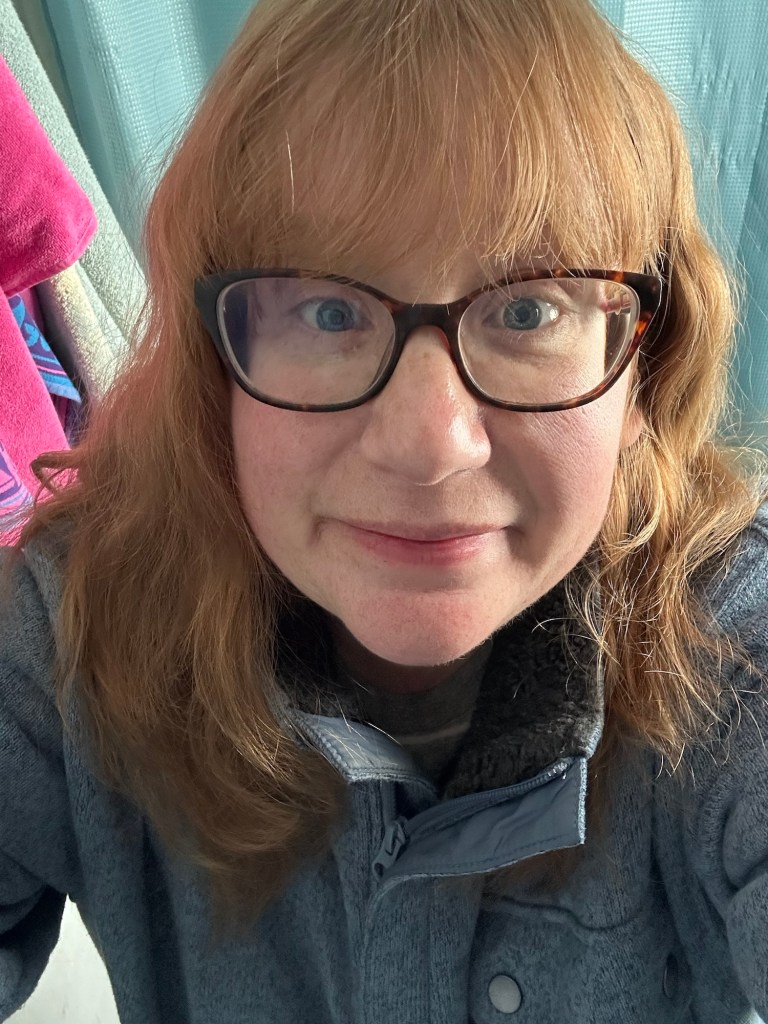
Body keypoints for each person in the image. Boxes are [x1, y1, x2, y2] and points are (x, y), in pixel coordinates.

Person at [2, 0, 768, 1020]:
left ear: (644, 374)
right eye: (329, 311)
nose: (429, 442)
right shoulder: (75, 628)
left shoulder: (730, 652)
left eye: (528, 309)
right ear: (215, 371)